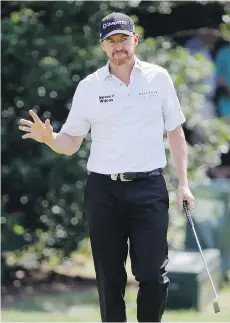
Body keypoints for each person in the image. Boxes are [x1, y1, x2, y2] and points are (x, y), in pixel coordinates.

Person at [19, 12, 195, 322]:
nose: (118, 47)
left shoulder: (159, 78)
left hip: (149, 187)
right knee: (110, 280)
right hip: (104, 192)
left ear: (135, 40)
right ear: (102, 46)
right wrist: (50, 138)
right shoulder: (89, 87)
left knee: (153, 274)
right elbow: (71, 143)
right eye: (111, 41)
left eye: (123, 39)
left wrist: (183, 184)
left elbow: (176, 133)